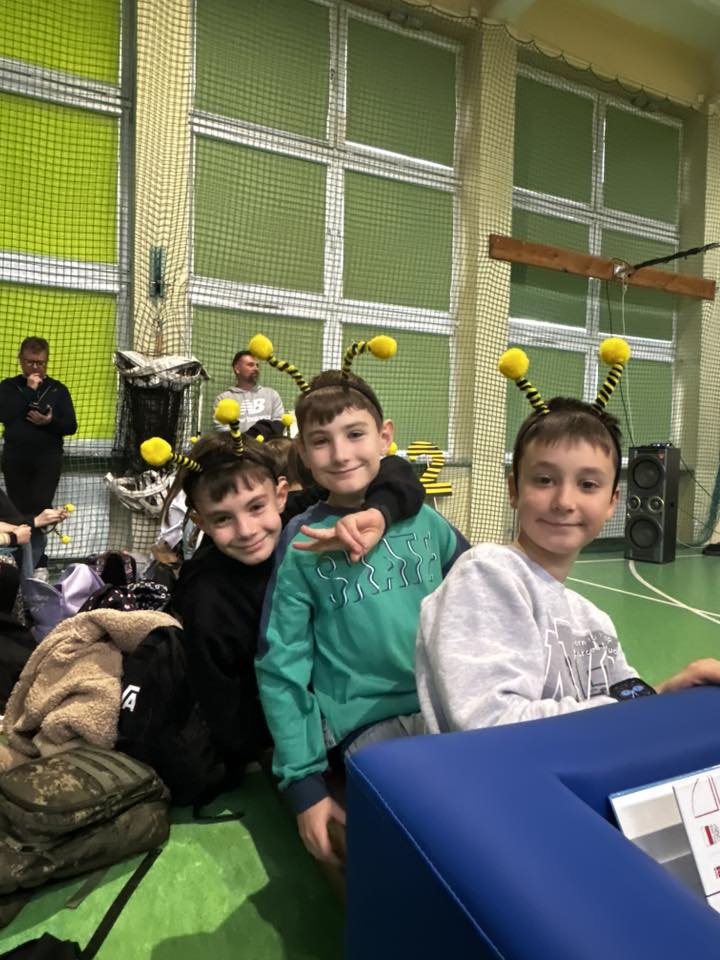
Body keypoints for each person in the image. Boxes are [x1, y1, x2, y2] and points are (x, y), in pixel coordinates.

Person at [416, 348, 720, 736]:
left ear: (612, 502)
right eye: (544, 480)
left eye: (588, 484)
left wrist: (666, 693)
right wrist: (631, 707)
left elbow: (627, 708)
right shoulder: (486, 574)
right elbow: (491, 726)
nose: (564, 501)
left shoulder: (594, 621)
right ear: (514, 489)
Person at [255, 369, 469, 865]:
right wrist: (304, 782)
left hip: (447, 706)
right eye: (321, 442)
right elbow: (281, 664)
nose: (341, 454)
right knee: (423, 837)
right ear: (304, 454)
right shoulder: (302, 542)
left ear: (384, 436)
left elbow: (482, 597)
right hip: (367, 724)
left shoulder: (425, 521)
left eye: (355, 434)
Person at [164, 415, 427, 797]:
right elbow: (230, 717)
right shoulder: (208, 598)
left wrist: (378, 513)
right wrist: (302, 761)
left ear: (281, 495)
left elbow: (394, 470)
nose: (247, 530)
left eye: (256, 507)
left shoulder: (297, 520)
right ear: (199, 521)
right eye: (223, 519)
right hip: (287, 734)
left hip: (358, 704)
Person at [0, 337, 77, 571]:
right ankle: (17, 562)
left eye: (40, 363)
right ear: (21, 360)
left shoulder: (57, 389)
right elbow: (6, 414)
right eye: (30, 362)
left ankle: (38, 561)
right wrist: (29, 390)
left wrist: (49, 422)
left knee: (41, 507)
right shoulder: (9, 387)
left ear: (47, 362)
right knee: (16, 510)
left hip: (47, 460)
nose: (35, 367)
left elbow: (70, 426)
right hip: (15, 459)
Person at [213, 350, 284, 436]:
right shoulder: (223, 399)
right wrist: (247, 440)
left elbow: (279, 423)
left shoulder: (272, 395)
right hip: (238, 444)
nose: (256, 368)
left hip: (266, 444)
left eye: (257, 365)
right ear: (237, 369)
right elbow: (222, 429)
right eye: (250, 365)